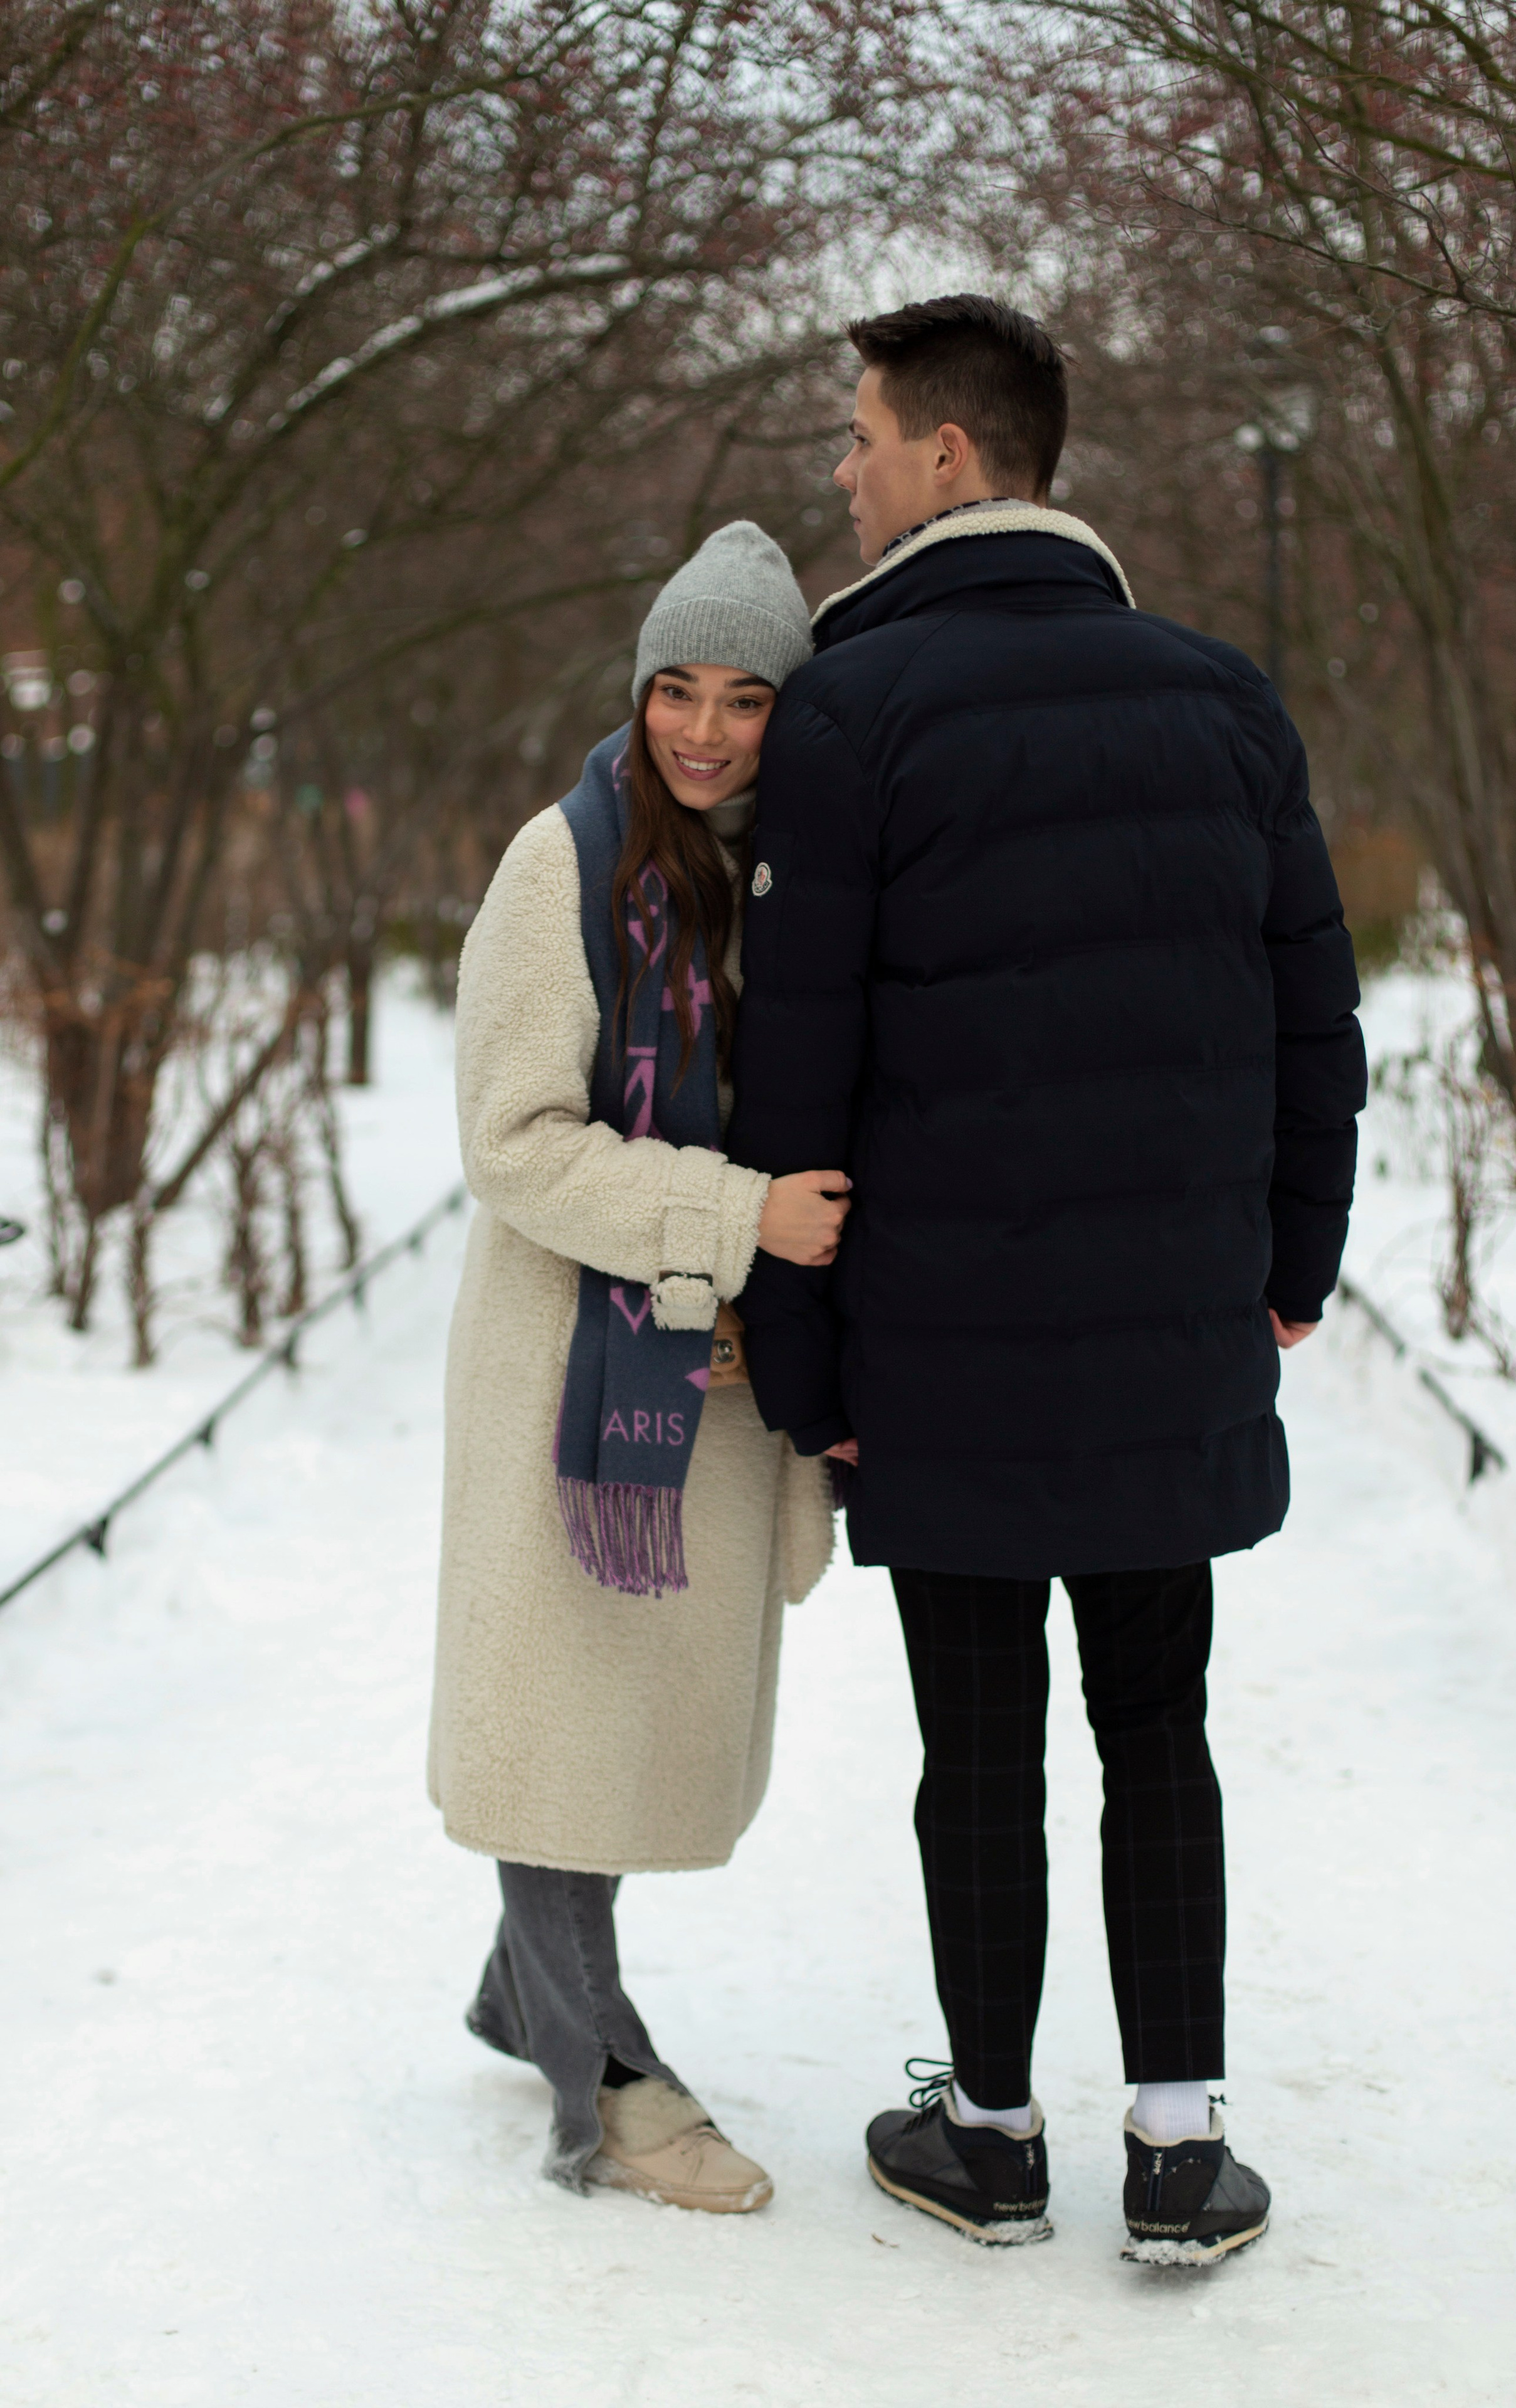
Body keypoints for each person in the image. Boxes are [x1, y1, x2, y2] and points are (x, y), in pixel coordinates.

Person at [727, 295, 1367, 2259]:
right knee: (1160, 1724)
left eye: (857, 438)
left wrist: (805, 1360)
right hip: (1168, 1324)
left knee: (979, 1741)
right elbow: (1311, 1014)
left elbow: (798, 1072)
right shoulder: (1222, 694)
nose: (840, 472)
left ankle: (990, 2133)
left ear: (949, 456)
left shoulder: (852, 711)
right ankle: (1178, 2147)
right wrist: (1291, 1267)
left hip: (943, 1343)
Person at [429, 521, 851, 2215]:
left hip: (722, 1371)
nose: (702, 729)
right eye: (676, 688)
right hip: (575, 1366)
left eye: (745, 698)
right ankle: (604, 2073)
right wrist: (738, 1215)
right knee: (560, 1725)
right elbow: (514, 1144)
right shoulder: (568, 862)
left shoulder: (798, 872)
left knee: (610, 1728)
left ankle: (520, 1986)